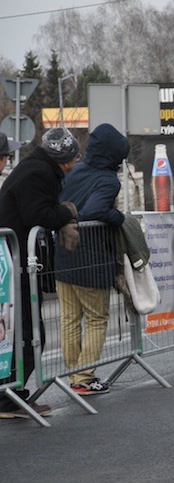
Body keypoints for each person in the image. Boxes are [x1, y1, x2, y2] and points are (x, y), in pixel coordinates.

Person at [0, 127, 81, 419]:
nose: (76, 163)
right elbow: (37, 214)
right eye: (74, 158)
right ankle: (9, 398)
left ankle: (11, 395)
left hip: (15, 259)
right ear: (63, 160)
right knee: (28, 334)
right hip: (16, 261)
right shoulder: (39, 173)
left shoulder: (36, 168)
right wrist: (67, 212)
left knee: (24, 332)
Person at [54, 123, 130, 396]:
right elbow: (93, 211)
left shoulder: (75, 171)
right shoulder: (109, 180)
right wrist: (117, 217)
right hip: (92, 259)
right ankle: (84, 378)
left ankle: (73, 374)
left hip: (63, 254)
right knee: (97, 318)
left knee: (69, 319)